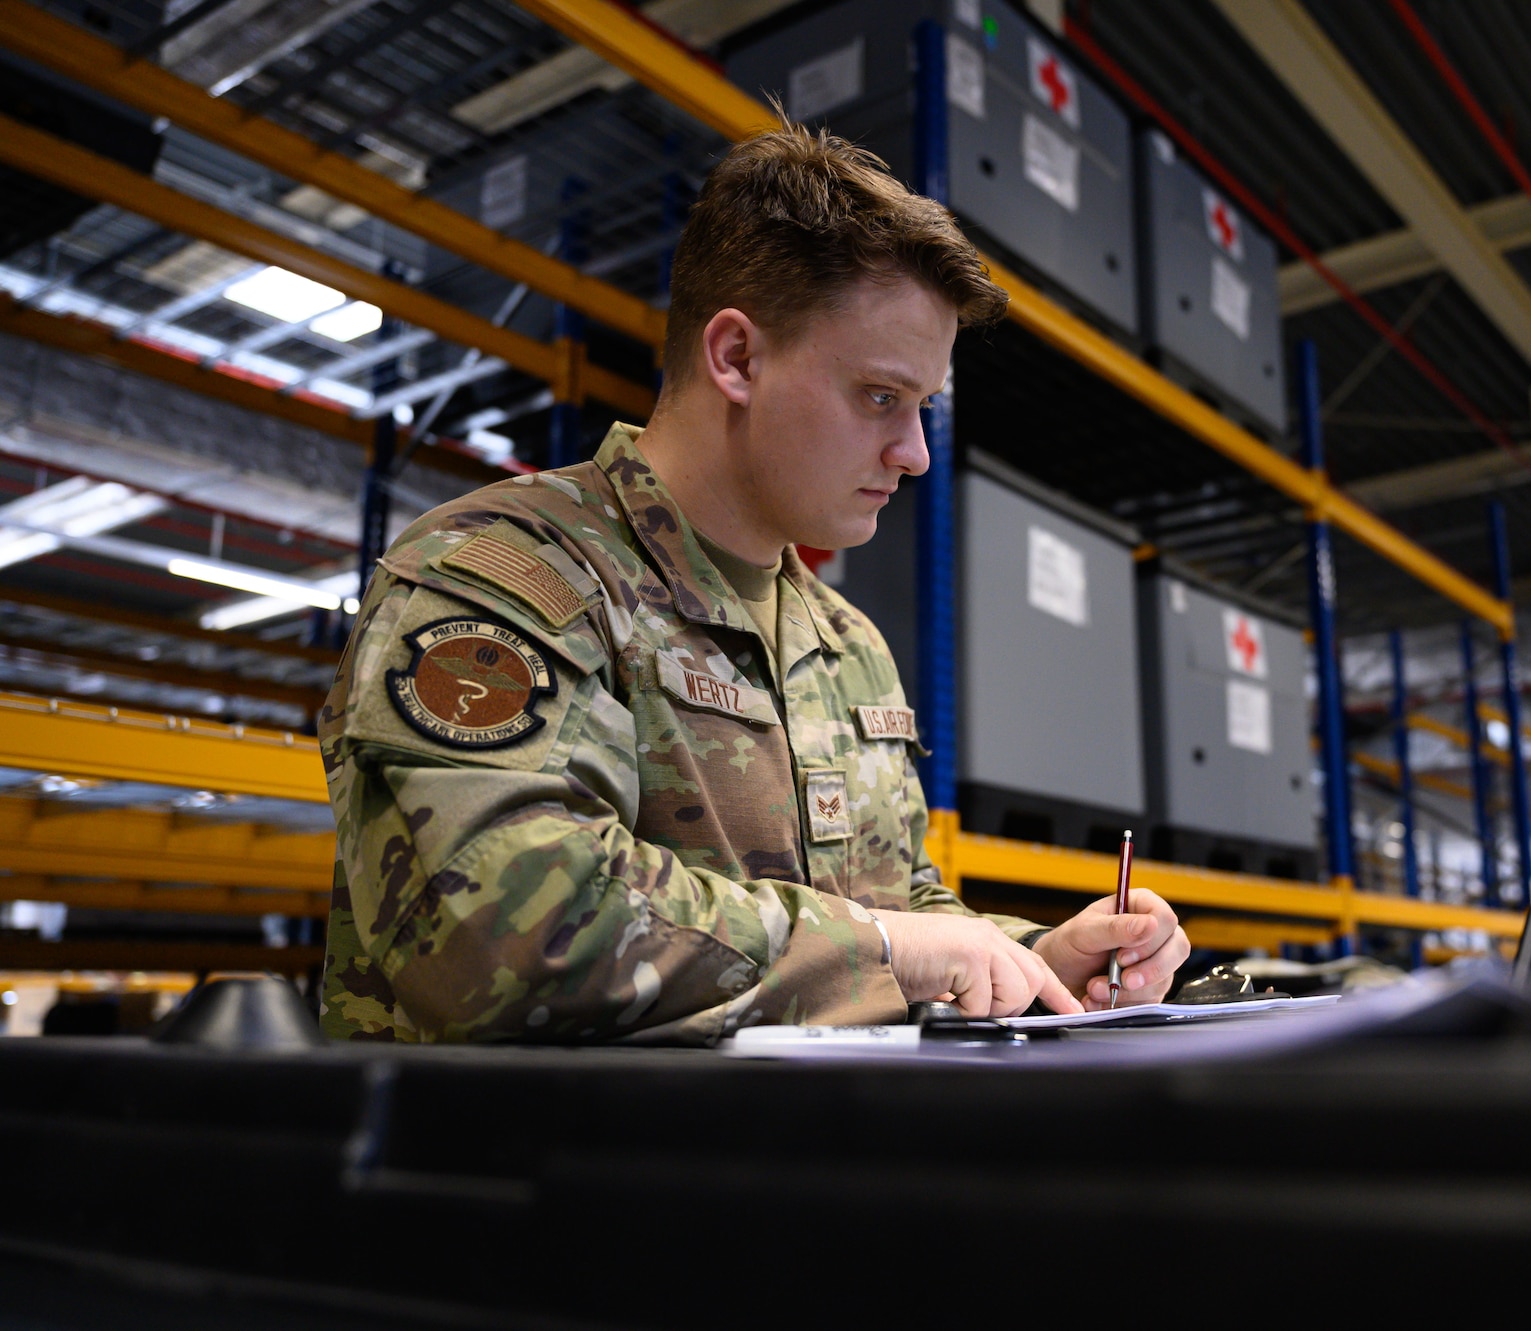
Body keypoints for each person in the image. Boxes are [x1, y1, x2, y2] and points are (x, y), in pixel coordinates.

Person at [317, 120, 1190, 1042]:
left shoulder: (846, 644)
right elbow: (504, 930)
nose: (915, 453)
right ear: (736, 358)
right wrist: (886, 948)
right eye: (881, 397)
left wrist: (1035, 957)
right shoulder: (507, 575)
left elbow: (901, 905)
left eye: (922, 406)